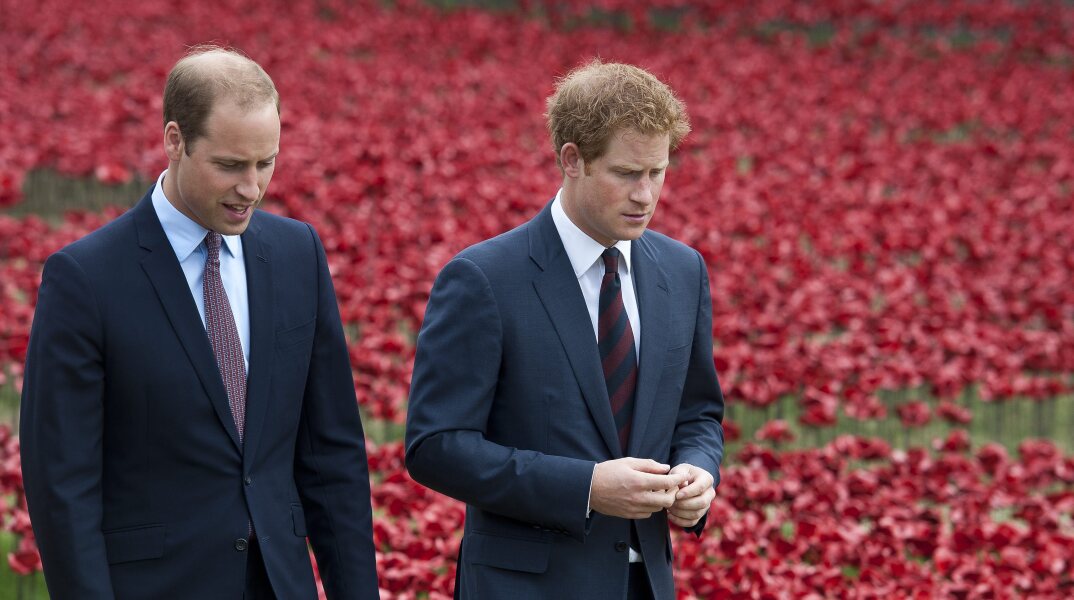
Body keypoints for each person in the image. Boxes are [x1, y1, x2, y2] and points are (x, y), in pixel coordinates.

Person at [20, 46, 380, 599]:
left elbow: (331, 455)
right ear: (175, 141)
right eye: (231, 165)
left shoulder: (296, 254)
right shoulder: (85, 279)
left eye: (267, 163)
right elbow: (62, 486)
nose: (252, 189)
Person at [405, 59, 726, 599]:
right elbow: (435, 446)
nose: (646, 195)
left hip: (646, 583)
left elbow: (698, 412)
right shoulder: (483, 279)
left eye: (658, 172)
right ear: (572, 160)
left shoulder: (683, 270)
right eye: (626, 174)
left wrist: (697, 473)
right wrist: (586, 488)